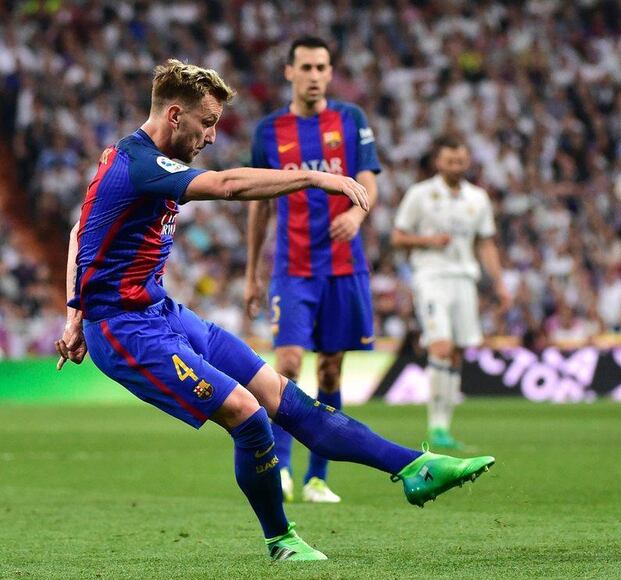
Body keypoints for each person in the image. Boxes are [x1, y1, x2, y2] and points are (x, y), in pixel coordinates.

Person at [54, 60, 494, 562]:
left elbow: (78, 233)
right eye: (207, 122)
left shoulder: (130, 158)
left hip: (163, 312)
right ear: (175, 115)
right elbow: (225, 187)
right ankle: (280, 540)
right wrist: (310, 178)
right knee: (247, 413)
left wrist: (72, 315)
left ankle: (415, 467)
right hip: (124, 331)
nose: (212, 136)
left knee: (281, 394)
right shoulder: (138, 164)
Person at [245, 37, 379, 504]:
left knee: (331, 370)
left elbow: (368, 181)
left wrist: (357, 214)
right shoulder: (268, 131)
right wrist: (250, 273)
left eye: (323, 66)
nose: (315, 74)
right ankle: (280, 467)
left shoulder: (351, 120)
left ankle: (317, 477)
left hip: (344, 268)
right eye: (306, 66)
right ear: (289, 72)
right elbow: (258, 203)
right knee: (286, 364)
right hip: (293, 267)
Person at [391, 136, 511, 449]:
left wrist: (498, 282)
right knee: (440, 347)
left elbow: (485, 242)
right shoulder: (420, 195)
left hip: (464, 278)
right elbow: (398, 236)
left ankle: (445, 425)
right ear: (438, 161)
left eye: (461, 161)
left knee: (458, 351)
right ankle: (436, 428)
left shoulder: (478, 198)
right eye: (450, 161)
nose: (456, 166)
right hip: (430, 276)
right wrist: (428, 242)